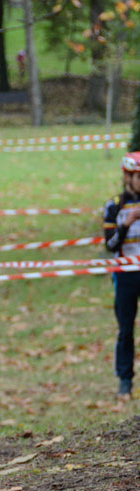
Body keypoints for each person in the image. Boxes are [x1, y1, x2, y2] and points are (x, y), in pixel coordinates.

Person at [103, 151, 140, 400]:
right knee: (125, 329)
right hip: (126, 275)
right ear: (127, 177)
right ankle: (125, 381)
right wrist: (126, 224)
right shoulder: (114, 205)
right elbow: (110, 244)